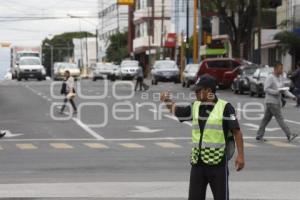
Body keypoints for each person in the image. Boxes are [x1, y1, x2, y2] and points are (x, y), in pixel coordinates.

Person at [160, 74, 245, 200]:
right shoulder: (196, 106)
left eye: (198, 90)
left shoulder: (225, 107)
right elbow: (179, 112)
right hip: (198, 163)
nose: (196, 93)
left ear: (209, 91)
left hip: (217, 164)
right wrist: (167, 101)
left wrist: (241, 156)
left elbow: (237, 132)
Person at [256, 62, 298, 142]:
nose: (282, 70)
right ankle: (289, 134)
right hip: (271, 101)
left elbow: (284, 90)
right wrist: (276, 92)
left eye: (282, 68)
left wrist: (293, 96)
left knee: (265, 119)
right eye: (280, 68)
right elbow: (266, 89)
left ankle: (259, 135)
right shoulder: (270, 77)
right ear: (275, 69)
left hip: (276, 101)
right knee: (280, 118)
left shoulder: (280, 78)